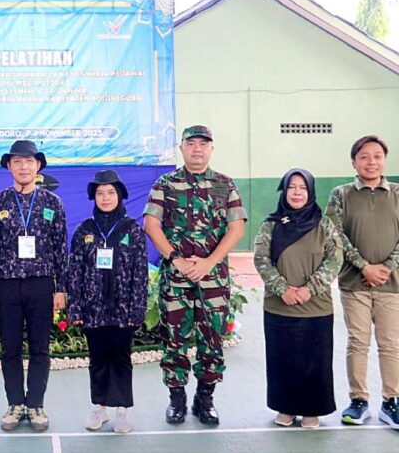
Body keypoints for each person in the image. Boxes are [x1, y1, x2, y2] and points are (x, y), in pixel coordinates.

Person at [144, 125, 246, 425]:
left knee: (212, 340)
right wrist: (175, 259)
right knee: (174, 340)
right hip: (176, 279)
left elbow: (236, 227)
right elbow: (152, 224)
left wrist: (209, 263)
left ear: (211, 149)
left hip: (213, 280)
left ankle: (205, 399)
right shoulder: (165, 183)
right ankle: (176, 400)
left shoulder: (226, 185)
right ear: (182, 148)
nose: (197, 149)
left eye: (203, 144)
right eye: (191, 144)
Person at [0, 139, 68, 432]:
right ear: (9, 166)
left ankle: (36, 404)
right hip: (7, 285)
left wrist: (61, 288)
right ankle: (16, 404)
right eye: (17, 161)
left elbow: (60, 249)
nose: (23, 166)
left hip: (42, 284)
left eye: (29, 161)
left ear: (38, 165)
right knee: (10, 349)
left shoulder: (52, 203)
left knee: (41, 349)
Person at [254, 168, 342, 429]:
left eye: (302, 187)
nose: (296, 192)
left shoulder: (324, 224)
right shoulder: (270, 224)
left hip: (316, 308)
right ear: (284, 190)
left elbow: (335, 260)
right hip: (278, 307)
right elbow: (261, 260)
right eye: (291, 186)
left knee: (315, 361)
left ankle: (311, 410)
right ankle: (286, 408)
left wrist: (308, 289)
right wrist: (283, 289)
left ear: (311, 191)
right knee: (283, 360)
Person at [325, 135, 399, 429]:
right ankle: (358, 401)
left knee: (391, 344)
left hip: (392, 285)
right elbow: (334, 234)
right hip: (354, 284)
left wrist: (386, 267)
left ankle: (391, 401)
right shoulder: (340, 194)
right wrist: (364, 266)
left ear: (384, 160)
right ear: (354, 161)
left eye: (377, 156)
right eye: (364, 156)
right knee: (357, 343)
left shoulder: (396, 193)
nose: (371, 162)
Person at [67, 170, 147, 434]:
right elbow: (75, 271)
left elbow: (140, 273)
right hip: (93, 310)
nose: (105, 198)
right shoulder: (84, 231)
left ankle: (123, 411)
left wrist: (137, 309)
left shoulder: (132, 230)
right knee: (98, 358)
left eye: (110, 192)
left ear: (120, 195)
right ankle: (99, 408)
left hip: (123, 310)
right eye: (100, 193)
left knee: (122, 358)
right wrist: (76, 306)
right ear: (94, 197)